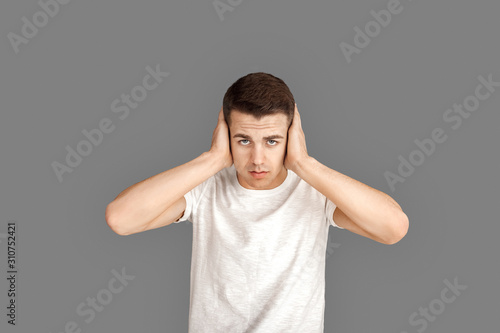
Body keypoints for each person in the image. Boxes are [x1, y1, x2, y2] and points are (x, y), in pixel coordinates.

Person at [105, 72, 409, 332]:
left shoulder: (314, 191)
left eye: (272, 141)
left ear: (292, 136)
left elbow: (393, 228)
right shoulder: (205, 190)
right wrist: (212, 160)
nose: (258, 159)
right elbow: (121, 218)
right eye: (244, 140)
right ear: (225, 135)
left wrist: (304, 163)